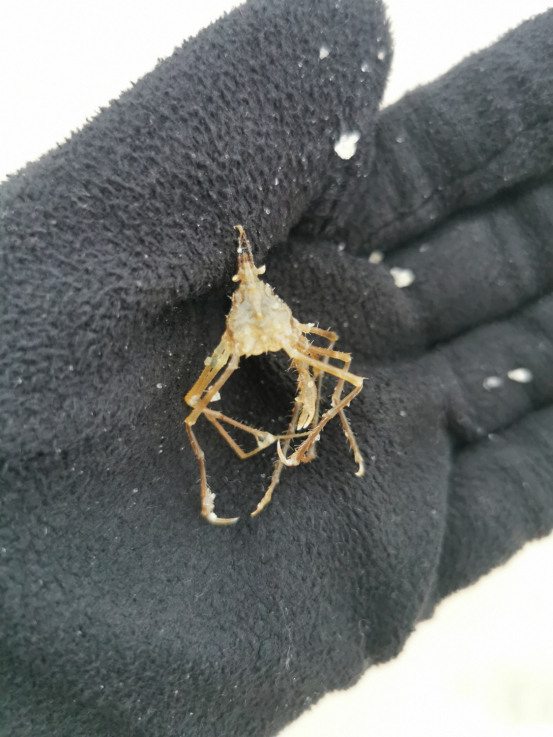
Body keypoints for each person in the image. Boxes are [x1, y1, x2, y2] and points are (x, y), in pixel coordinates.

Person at [1, 1, 552, 734]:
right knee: (214, 404)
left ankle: (294, 449)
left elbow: (322, 367)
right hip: (255, 342)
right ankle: (259, 465)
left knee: (312, 383)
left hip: (275, 342)